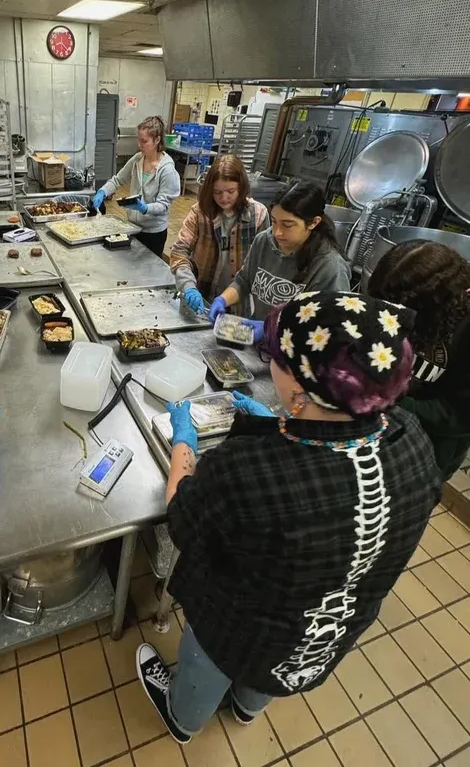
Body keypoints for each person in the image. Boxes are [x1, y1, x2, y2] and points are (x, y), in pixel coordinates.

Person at [136, 290, 441, 744]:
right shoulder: (412, 438)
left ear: (301, 389)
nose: (269, 362)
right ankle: (246, 707)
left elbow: (182, 517)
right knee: (272, 670)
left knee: (211, 664)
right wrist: (282, 424)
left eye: (274, 357)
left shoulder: (248, 470)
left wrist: (184, 440)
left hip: (237, 625)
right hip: (322, 631)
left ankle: (183, 718)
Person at [368, 239, 470, 481]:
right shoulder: (390, 297)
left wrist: (385, 401)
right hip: (375, 431)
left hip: (425, 453)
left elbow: (459, 416)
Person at [208, 181, 351, 339]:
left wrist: (273, 329)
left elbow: (329, 328)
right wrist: (223, 299)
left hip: (293, 348)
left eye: (287, 225)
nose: (277, 232)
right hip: (257, 341)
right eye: (274, 221)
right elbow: (244, 281)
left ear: (313, 222)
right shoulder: (264, 241)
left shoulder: (330, 268)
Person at [171, 155, 269, 313]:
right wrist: (188, 286)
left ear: (242, 187)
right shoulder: (200, 213)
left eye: (231, 191)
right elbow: (179, 252)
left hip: (239, 302)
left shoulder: (258, 214)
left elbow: (264, 263)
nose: (224, 198)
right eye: (217, 192)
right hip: (203, 297)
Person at [92, 115, 180, 257]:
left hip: (153, 233)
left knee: (149, 268)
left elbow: (163, 205)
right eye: (138, 140)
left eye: (144, 141)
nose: (139, 145)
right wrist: (102, 191)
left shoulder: (167, 170)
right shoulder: (137, 160)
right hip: (133, 227)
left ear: (157, 140)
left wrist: (144, 208)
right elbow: (118, 180)